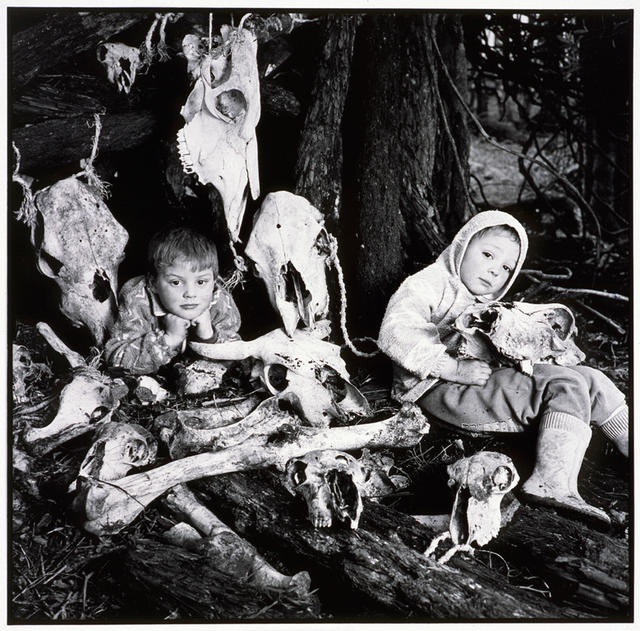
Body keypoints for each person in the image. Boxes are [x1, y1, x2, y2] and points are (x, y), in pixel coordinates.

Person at [378, 210, 628, 525]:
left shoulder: (486, 302)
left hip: (481, 380)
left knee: (590, 378)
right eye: (487, 255)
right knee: (564, 385)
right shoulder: (428, 284)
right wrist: (452, 368)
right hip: (436, 387)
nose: (495, 271)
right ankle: (551, 481)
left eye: (506, 267)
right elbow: (395, 333)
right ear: (462, 245)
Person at [105, 227, 241, 375]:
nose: (190, 293)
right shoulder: (137, 301)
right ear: (153, 283)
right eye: (176, 282)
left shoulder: (220, 301)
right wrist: (167, 340)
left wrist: (209, 335)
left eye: (201, 282)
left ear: (214, 281)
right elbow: (116, 361)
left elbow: (238, 359)